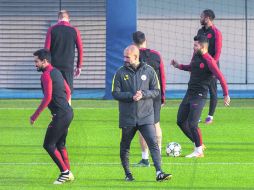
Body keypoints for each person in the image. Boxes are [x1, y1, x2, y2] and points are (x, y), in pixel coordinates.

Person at [112, 45, 172, 181]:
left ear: (135, 57)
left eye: (127, 57)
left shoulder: (149, 71)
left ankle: (159, 173)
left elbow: (156, 90)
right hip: (128, 117)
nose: (124, 59)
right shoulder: (120, 72)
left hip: (146, 116)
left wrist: (144, 94)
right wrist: (131, 96)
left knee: (153, 143)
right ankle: (128, 174)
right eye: (124, 56)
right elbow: (115, 93)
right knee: (125, 146)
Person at [170, 35, 230, 158]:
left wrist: (226, 94)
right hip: (189, 93)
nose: (194, 47)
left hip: (199, 95)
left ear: (202, 46)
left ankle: (198, 151)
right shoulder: (196, 56)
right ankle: (199, 144)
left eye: (195, 45)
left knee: (192, 124)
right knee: (180, 121)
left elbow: (221, 77)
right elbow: (191, 67)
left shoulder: (209, 61)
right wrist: (178, 66)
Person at [30, 49, 74, 184]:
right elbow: (68, 91)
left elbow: (48, 97)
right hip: (68, 112)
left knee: (48, 145)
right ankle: (69, 173)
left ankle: (64, 173)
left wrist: (34, 116)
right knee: (60, 144)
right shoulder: (56, 72)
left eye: (36, 62)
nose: (35, 64)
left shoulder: (46, 75)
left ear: (44, 61)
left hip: (62, 114)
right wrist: (62, 109)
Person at [132, 31, 166, 167]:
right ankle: (158, 157)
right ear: (145, 40)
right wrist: (163, 96)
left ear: (134, 42)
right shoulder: (156, 55)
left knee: (142, 126)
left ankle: (145, 159)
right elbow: (162, 76)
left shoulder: (134, 56)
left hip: (141, 97)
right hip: (155, 95)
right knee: (156, 124)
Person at [44, 10, 83, 101]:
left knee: (54, 91)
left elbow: (46, 49)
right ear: (69, 19)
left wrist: (46, 66)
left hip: (53, 67)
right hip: (68, 67)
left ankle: (55, 114)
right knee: (68, 92)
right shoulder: (75, 31)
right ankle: (67, 113)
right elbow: (80, 50)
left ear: (58, 19)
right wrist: (79, 66)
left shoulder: (52, 29)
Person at [197, 9, 222, 124]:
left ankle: (210, 116)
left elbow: (217, 52)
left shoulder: (216, 32)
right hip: (200, 66)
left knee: (212, 90)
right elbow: (196, 49)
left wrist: (212, 66)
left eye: (201, 16)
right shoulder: (200, 31)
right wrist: (194, 64)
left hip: (212, 66)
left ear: (207, 18)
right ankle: (197, 115)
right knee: (199, 89)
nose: (200, 18)